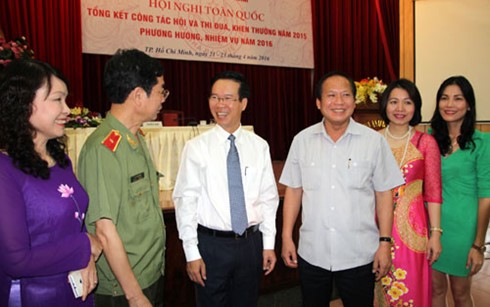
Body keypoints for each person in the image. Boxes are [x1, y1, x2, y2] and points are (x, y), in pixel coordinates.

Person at [280, 71, 404, 307]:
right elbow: (294, 191)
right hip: (313, 251)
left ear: (354, 101)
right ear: (318, 103)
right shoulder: (302, 141)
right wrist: (287, 237)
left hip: (359, 253)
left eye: (346, 95)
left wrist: (385, 243)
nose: (339, 102)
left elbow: (383, 194)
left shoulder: (374, 141)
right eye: (331, 95)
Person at [172, 71, 279, 307]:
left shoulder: (259, 146)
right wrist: (192, 253)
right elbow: (185, 202)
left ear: (243, 103)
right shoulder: (196, 147)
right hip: (212, 246)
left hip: (250, 244)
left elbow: (268, 199)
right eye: (214, 97)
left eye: (228, 98)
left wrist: (269, 244)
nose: (220, 105)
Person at [0, 59, 102, 306]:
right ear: (24, 104)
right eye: (58, 99)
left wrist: (85, 257)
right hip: (34, 295)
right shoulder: (5, 170)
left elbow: (72, 222)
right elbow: (16, 261)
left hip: (73, 288)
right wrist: (85, 245)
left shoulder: (59, 159)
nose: (67, 109)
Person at [77, 49, 168, 306]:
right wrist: (135, 295)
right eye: (161, 90)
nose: (163, 98)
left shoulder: (134, 138)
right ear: (139, 95)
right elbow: (105, 231)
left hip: (149, 272)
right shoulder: (103, 150)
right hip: (125, 288)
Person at [374, 79, 442, 307]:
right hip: (373, 228)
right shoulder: (373, 140)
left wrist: (435, 234)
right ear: (385, 105)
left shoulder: (426, 142)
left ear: (416, 107)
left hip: (412, 232)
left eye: (407, 102)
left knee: (409, 292)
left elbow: (433, 192)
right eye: (394, 102)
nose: (400, 109)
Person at [430, 76, 490, 307]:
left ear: (469, 105)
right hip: (432, 227)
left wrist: (477, 245)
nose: (449, 104)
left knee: (460, 293)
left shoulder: (482, 142)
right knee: (435, 289)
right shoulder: (430, 141)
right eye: (444, 98)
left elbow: (486, 197)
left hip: (463, 230)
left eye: (457, 98)